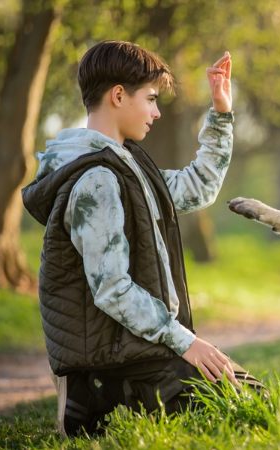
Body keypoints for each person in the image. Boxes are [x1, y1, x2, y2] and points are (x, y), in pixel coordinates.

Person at [22, 40, 260, 437]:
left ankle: (105, 398)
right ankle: (89, 396)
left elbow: (196, 188)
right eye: (150, 99)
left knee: (248, 397)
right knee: (240, 407)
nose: (156, 111)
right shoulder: (96, 180)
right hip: (110, 355)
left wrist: (220, 114)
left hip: (136, 344)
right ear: (118, 95)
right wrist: (185, 343)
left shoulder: (126, 165)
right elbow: (112, 288)